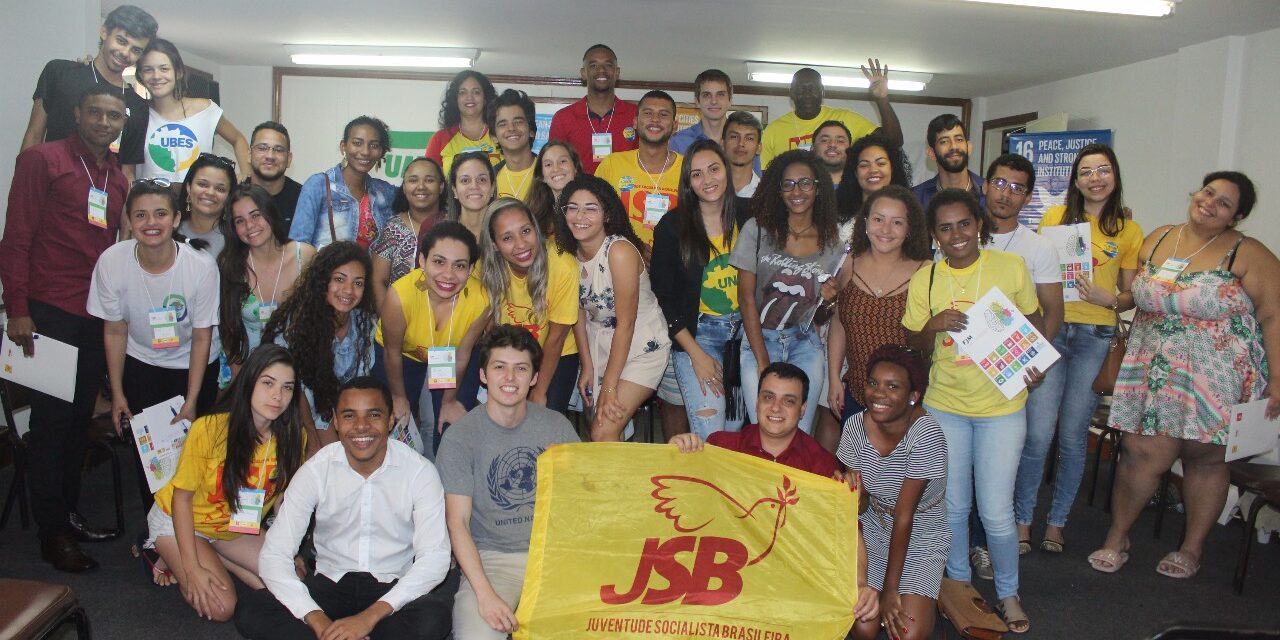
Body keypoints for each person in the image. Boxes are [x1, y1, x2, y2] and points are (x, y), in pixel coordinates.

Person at [1092, 171, 1280, 581]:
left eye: (1224, 203)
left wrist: (1279, 380)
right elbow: (1136, 293)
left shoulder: (1248, 253)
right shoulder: (1159, 238)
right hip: (1152, 369)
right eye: (1208, 192)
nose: (1210, 203)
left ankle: (1191, 548)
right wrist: (1113, 300)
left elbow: (1273, 315)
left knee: (1204, 459)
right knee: (1140, 452)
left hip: (1218, 377)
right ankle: (1117, 536)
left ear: (1237, 216)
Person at [1, 85, 131, 572]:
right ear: (76, 114)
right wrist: (17, 307)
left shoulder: (117, 179)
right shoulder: (42, 160)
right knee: (51, 426)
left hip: (94, 316)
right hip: (47, 311)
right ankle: (51, 534)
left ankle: (68, 514)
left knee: (77, 424)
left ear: (122, 123)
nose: (104, 122)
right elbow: (16, 238)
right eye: (95, 112)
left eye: (113, 116)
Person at [903, 188, 1044, 634]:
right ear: (934, 234)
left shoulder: (1010, 266)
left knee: (997, 510)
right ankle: (963, 590)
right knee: (953, 506)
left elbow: (1034, 321)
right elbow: (912, 341)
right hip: (946, 405)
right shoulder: (926, 278)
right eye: (945, 228)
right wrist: (933, 325)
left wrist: (1034, 362)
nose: (956, 234)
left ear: (979, 224)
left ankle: (1008, 593)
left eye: (964, 223)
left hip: (1002, 406)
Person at [236, 377, 454, 640]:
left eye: (374, 415)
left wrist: (369, 618)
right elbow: (275, 554)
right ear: (336, 422)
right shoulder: (316, 470)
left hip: (391, 591)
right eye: (349, 416)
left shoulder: (419, 472)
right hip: (329, 586)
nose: (361, 426)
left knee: (434, 617)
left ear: (390, 420)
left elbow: (435, 558)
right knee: (252, 609)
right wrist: (316, 620)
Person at [1017, 144, 1143, 555]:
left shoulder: (1129, 230)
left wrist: (1114, 299)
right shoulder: (1054, 218)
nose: (1095, 178)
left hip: (1095, 335)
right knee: (1037, 436)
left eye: (1103, 170)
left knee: (1073, 437)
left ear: (1115, 176)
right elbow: (1034, 273)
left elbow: (1131, 294)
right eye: (1086, 171)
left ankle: (1056, 524)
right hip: (1052, 328)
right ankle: (1022, 520)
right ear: (1075, 180)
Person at [437, 326, 580, 639]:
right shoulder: (460, 437)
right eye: (500, 367)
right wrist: (485, 595)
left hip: (556, 554)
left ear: (534, 377)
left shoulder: (556, 426)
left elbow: (594, 493)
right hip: (492, 560)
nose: (510, 378)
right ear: (483, 375)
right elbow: (457, 523)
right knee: (476, 635)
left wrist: (677, 453)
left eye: (521, 369)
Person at [145, 344, 306, 621]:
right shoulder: (209, 429)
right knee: (222, 608)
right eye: (268, 383)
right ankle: (159, 548)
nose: (277, 396)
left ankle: (212, 555)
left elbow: (282, 501)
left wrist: (288, 548)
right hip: (181, 521)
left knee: (295, 579)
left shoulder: (294, 437)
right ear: (249, 382)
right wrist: (192, 568)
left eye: (287, 387)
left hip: (235, 526)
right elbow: (181, 499)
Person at [958, 153, 1063, 575]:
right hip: (958, 369)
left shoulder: (1038, 248)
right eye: (1000, 183)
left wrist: (1030, 362)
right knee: (957, 467)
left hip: (1007, 371)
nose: (1006, 193)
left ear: (1028, 197)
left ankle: (985, 544)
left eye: (1018, 188)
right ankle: (955, 547)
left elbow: (1053, 312)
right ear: (984, 185)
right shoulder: (960, 234)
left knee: (997, 467)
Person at [730, 150, 844, 434]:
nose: (797, 191)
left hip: (804, 342)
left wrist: (830, 301)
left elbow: (819, 313)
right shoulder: (757, 230)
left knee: (799, 435)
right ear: (777, 190)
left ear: (818, 188)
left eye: (805, 183)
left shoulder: (832, 243)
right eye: (788, 184)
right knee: (764, 431)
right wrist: (763, 363)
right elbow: (745, 299)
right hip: (759, 340)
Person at [839, 346, 948, 640]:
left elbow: (904, 515)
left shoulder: (925, 434)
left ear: (913, 396)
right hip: (874, 524)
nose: (879, 393)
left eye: (892, 386)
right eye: (873, 383)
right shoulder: (854, 427)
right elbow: (861, 506)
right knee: (864, 626)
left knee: (907, 634)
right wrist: (851, 494)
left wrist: (890, 590)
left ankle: (928, 590)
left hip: (921, 530)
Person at [553, 175, 672, 441]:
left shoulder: (619, 252)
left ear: (606, 215)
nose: (580, 216)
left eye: (590, 208)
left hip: (641, 344)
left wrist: (609, 386)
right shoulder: (568, 255)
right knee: (597, 427)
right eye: (573, 208)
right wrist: (587, 366)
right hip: (599, 344)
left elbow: (626, 324)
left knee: (603, 428)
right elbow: (578, 314)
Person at [652, 139, 751, 439]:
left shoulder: (750, 216)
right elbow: (664, 299)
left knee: (733, 432)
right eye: (697, 174)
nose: (707, 179)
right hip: (698, 336)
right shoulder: (671, 227)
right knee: (711, 434)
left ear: (727, 170)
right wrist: (696, 355)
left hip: (744, 337)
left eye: (713, 169)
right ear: (688, 182)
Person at [376, 221, 488, 452]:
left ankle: (440, 468)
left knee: (449, 426)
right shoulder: (399, 296)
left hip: (450, 356)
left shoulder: (482, 300)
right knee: (394, 421)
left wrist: (448, 402)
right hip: (403, 356)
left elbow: (463, 356)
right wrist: (399, 397)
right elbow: (391, 352)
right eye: (439, 262)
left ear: (471, 269)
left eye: (459, 265)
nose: (448, 275)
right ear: (422, 260)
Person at [461, 199, 580, 414]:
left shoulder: (563, 265)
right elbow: (489, 328)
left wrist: (539, 391)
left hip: (554, 352)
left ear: (536, 229)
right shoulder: (483, 268)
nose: (521, 244)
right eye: (507, 238)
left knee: (544, 414)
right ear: (494, 245)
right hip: (506, 348)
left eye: (526, 231)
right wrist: (502, 369)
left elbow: (557, 338)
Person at [827, 186, 930, 432]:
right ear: (865, 223)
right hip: (857, 393)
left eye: (897, 222)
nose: (886, 229)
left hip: (907, 402)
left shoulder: (926, 270)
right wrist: (834, 379)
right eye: (878, 219)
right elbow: (839, 324)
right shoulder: (849, 263)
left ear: (909, 228)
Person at [263, 242, 376, 449]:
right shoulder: (295, 325)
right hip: (299, 413)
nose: (348, 290)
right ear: (324, 280)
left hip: (344, 411)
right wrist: (312, 434)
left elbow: (361, 380)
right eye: (339, 279)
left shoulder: (365, 322)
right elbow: (295, 389)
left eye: (358, 283)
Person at [22, 4, 156, 177]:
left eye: (136, 50)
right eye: (121, 41)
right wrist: (22, 185)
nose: (125, 52)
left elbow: (127, 171)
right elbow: (33, 135)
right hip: (51, 184)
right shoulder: (59, 72)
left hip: (104, 190)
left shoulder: (138, 106)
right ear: (104, 32)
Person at [217, 183, 314, 387]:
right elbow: (227, 327)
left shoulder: (305, 256)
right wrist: (240, 378)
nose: (250, 226)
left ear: (270, 212)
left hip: (302, 372)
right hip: (249, 373)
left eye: (256, 215)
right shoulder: (230, 265)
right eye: (240, 221)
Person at [671, 363, 837, 476]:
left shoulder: (821, 465)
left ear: (802, 409)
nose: (776, 407)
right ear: (757, 403)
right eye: (768, 397)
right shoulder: (720, 447)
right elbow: (685, 492)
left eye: (788, 401)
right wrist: (674, 457)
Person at [135, 39, 250, 182]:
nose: (156, 76)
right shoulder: (136, 113)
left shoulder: (205, 110)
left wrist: (246, 176)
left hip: (198, 194)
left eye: (164, 69)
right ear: (140, 75)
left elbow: (238, 139)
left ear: (178, 72)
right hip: (149, 195)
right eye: (148, 70)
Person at [760, 61, 902, 169]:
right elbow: (766, 179)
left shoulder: (845, 118)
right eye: (801, 89)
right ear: (791, 93)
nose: (807, 94)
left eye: (813, 89)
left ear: (823, 92)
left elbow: (893, 142)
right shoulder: (773, 130)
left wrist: (882, 99)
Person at [594, 89, 684, 254]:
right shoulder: (612, 164)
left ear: (675, 126)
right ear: (635, 122)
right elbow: (594, 218)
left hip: (675, 263)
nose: (655, 119)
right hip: (619, 261)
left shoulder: (689, 169)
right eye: (648, 113)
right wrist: (633, 246)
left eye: (663, 114)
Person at [290, 116, 396, 249]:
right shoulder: (318, 185)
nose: (365, 152)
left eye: (374, 145)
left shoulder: (385, 192)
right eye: (357, 143)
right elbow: (298, 247)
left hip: (370, 263)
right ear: (343, 146)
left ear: (381, 151)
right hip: (325, 263)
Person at [371, 156, 448, 310]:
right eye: (413, 180)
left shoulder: (453, 226)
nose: (421, 186)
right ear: (405, 188)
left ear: (441, 187)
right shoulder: (392, 228)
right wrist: (387, 319)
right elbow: (378, 281)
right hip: (399, 316)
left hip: (448, 317)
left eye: (429, 180)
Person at [548, 44, 638, 175]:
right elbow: (555, 166)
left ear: (617, 72)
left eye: (608, 65)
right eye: (593, 65)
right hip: (578, 188)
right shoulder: (563, 118)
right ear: (583, 73)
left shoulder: (636, 114)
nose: (601, 70)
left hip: (625, 188)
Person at [835, 132, 913, 235]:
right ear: (855, 173)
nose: (873, 170)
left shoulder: (909, 213)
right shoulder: (836, 215)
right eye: (864, 165)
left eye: (881, 163)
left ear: (892, 169)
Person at [425, 70, 500, 176]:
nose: (469, 97)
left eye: (476, 92)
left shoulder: (501, 133)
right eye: (462, 92)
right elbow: (430, 179)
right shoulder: (440, 139)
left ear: (485, 98)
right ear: (455, 99)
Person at [911, 114, 983, 210]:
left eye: (959, 139)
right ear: (932, 153)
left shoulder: (989, 191)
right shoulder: (916, 198)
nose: (954, 146)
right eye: (944, 141)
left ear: (969, 147)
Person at [177, 153, 237, 257]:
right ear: (188, 187)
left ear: (229, 196)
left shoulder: (237, 238)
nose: (210, 193)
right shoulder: (169, 230)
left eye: (220, 189)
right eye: (203, 184)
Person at [246, 121, 302, 230]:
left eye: (279, 150)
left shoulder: (303, 199)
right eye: (262, 148)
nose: (270, 156)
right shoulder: (235, 195)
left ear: (289, 159)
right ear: (249, 154)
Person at [524, 141, 582, 237]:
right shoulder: (533, 217)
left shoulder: (593, 208)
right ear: (542, 176)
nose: (556, 169)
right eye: (548, 164)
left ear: (575, 167)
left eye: (562, 161)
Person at [488, 89, 538, 201]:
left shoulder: (548, 173)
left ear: (531, 130)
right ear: (494, 136)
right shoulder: (488, 180)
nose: (511, 128)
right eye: (502, 124)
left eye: (518, 122)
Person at [669, 69, 733, 155]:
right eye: (707, 95)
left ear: (730, 100)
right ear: (697, 101)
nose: (714, 101)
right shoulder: (679, 142)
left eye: (720, 94)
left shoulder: (743, 141)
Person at [449, 150, 497, 241]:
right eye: (465, 180)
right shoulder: (441, 235)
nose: (474, 186)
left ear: (492, 188)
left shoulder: (505, 231)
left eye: (482, 180)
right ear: (454, 190)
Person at [723, 110, 763, 197]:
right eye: (734, 136)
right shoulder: (708, 189)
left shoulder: (766, 194)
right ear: (722, 144)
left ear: (759, 148)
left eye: (749, 138)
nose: (741, 143)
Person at [812, 120, 852, 188]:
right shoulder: (800, 187)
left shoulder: (863, 186)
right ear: (812, 148)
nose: (832, 144)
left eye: (840, 141)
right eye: (824, 140)